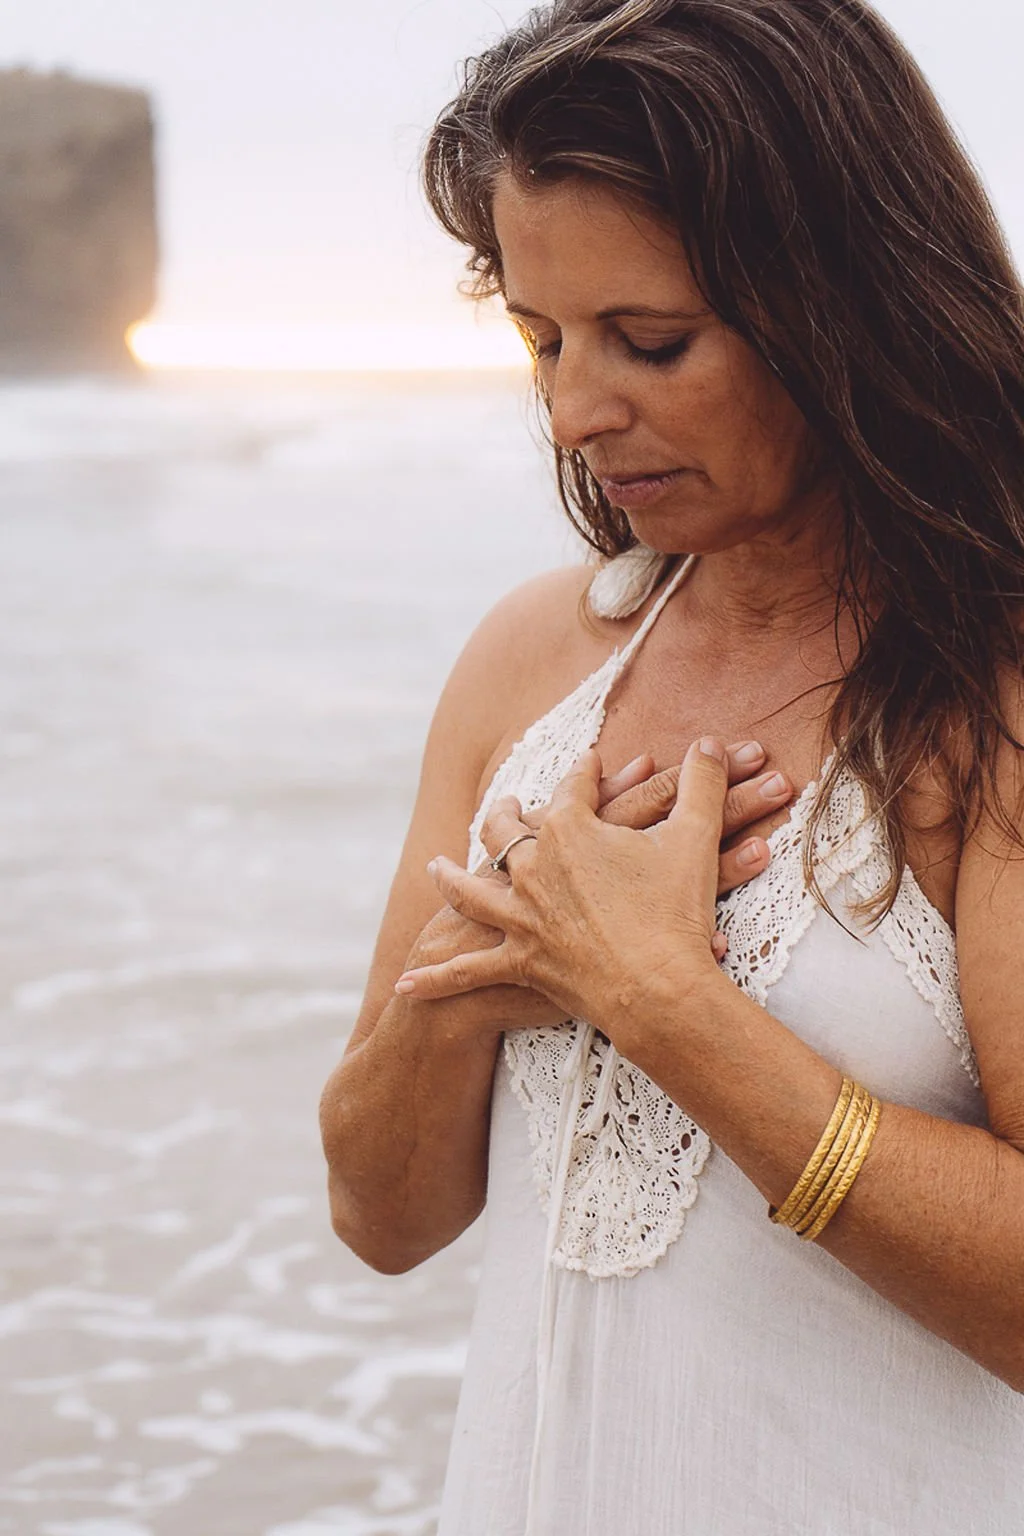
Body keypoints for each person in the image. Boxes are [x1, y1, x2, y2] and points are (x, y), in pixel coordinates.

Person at [319, 0, 1024, 1530]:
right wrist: (477, 972)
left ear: (847, 299)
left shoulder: (993, 692)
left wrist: (655, 998)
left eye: (652, 341)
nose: (574, 413)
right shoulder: (536, 661)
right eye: (539, 337)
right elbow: (382, 1215)